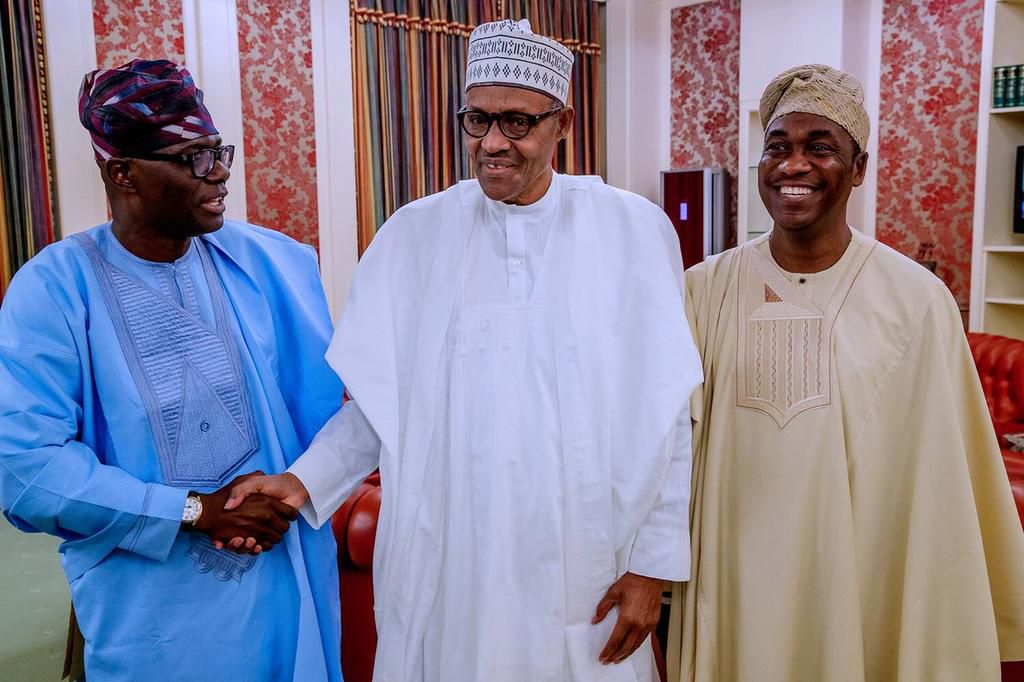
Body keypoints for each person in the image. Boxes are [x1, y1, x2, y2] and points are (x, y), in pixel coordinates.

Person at [226, 18, 702, 682]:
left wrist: (652, 564)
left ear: (561, 124)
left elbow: (668, 415)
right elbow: (378, 410)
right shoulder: (411, 238)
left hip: (582, 561)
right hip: (450, 560)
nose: (491, 144)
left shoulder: (630, 232)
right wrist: (301, 481)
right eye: (476, 120)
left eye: (517, 123)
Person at [666, 63, 1024, 682]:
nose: (793, 165)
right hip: (734, 577)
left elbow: (938, 484)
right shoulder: (705, 289)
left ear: (858, 169)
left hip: (857, 583)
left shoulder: (917, 299)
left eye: (819, 147)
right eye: (777, 147)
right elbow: (670, 449)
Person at [0, 59, 344, 680]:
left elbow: (326, 417)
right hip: (153, 610)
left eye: (219, 153)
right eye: (192, 159)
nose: (218, 177)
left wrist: (286, 491)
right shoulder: (54, 289)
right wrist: (191, 511)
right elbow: (27, 469)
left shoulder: (274, 266)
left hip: (282, 575)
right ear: (122, 173)